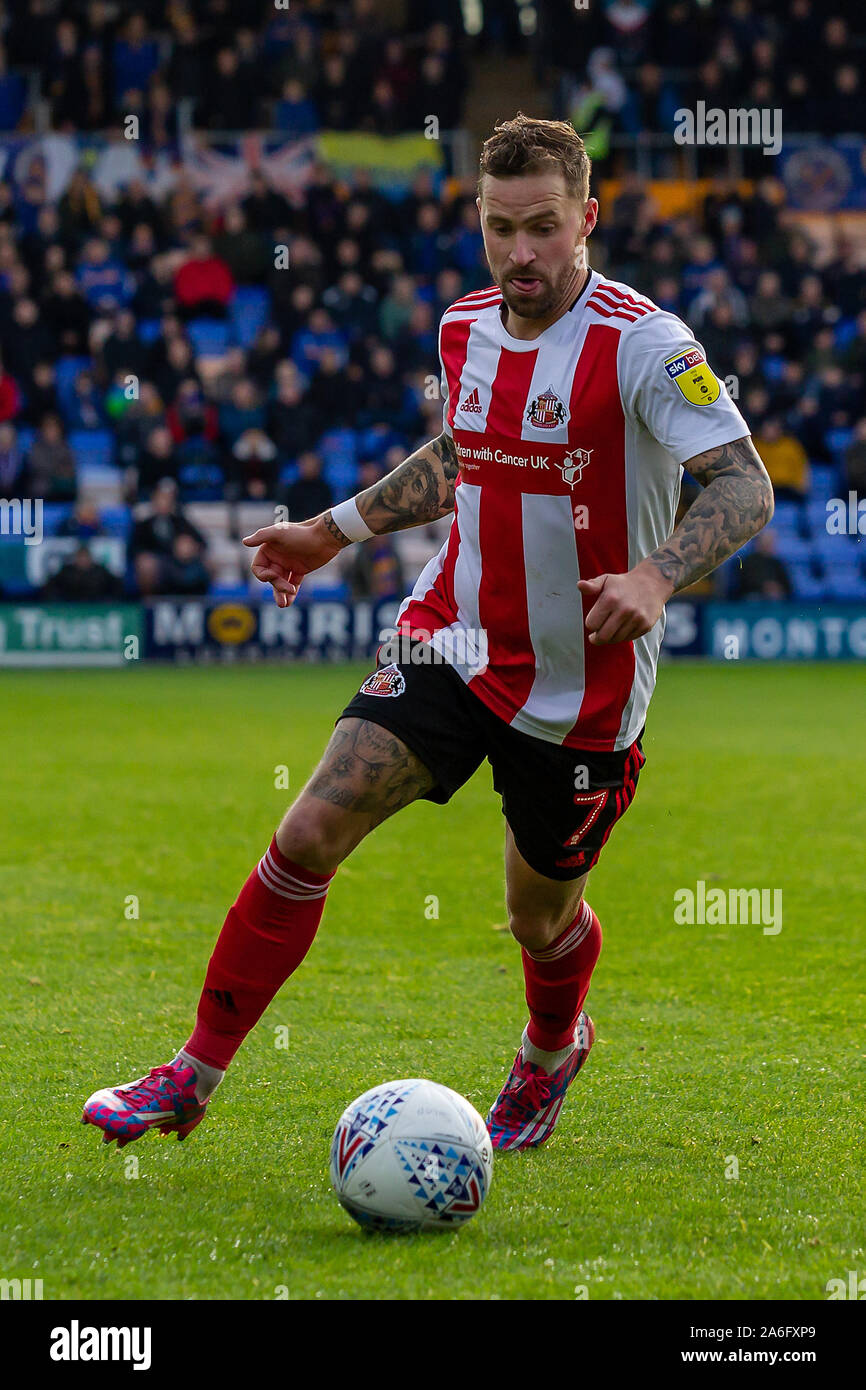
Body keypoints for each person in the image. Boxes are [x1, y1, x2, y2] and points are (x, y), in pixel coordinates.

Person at [83, 116, 772, 1155]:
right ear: (479, 224)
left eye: (543, 227)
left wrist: (655, 571)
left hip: (578, 688)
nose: (521, 252)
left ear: (586, 218)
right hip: (447, 640)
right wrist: (330, 530)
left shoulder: (644, 344)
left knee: (537, 916)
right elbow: (464, 453)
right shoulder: (465, 327)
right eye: (501, 229)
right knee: (309, 829)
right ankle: (192, 1072)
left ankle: (548, 1052)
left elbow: (743, 482)